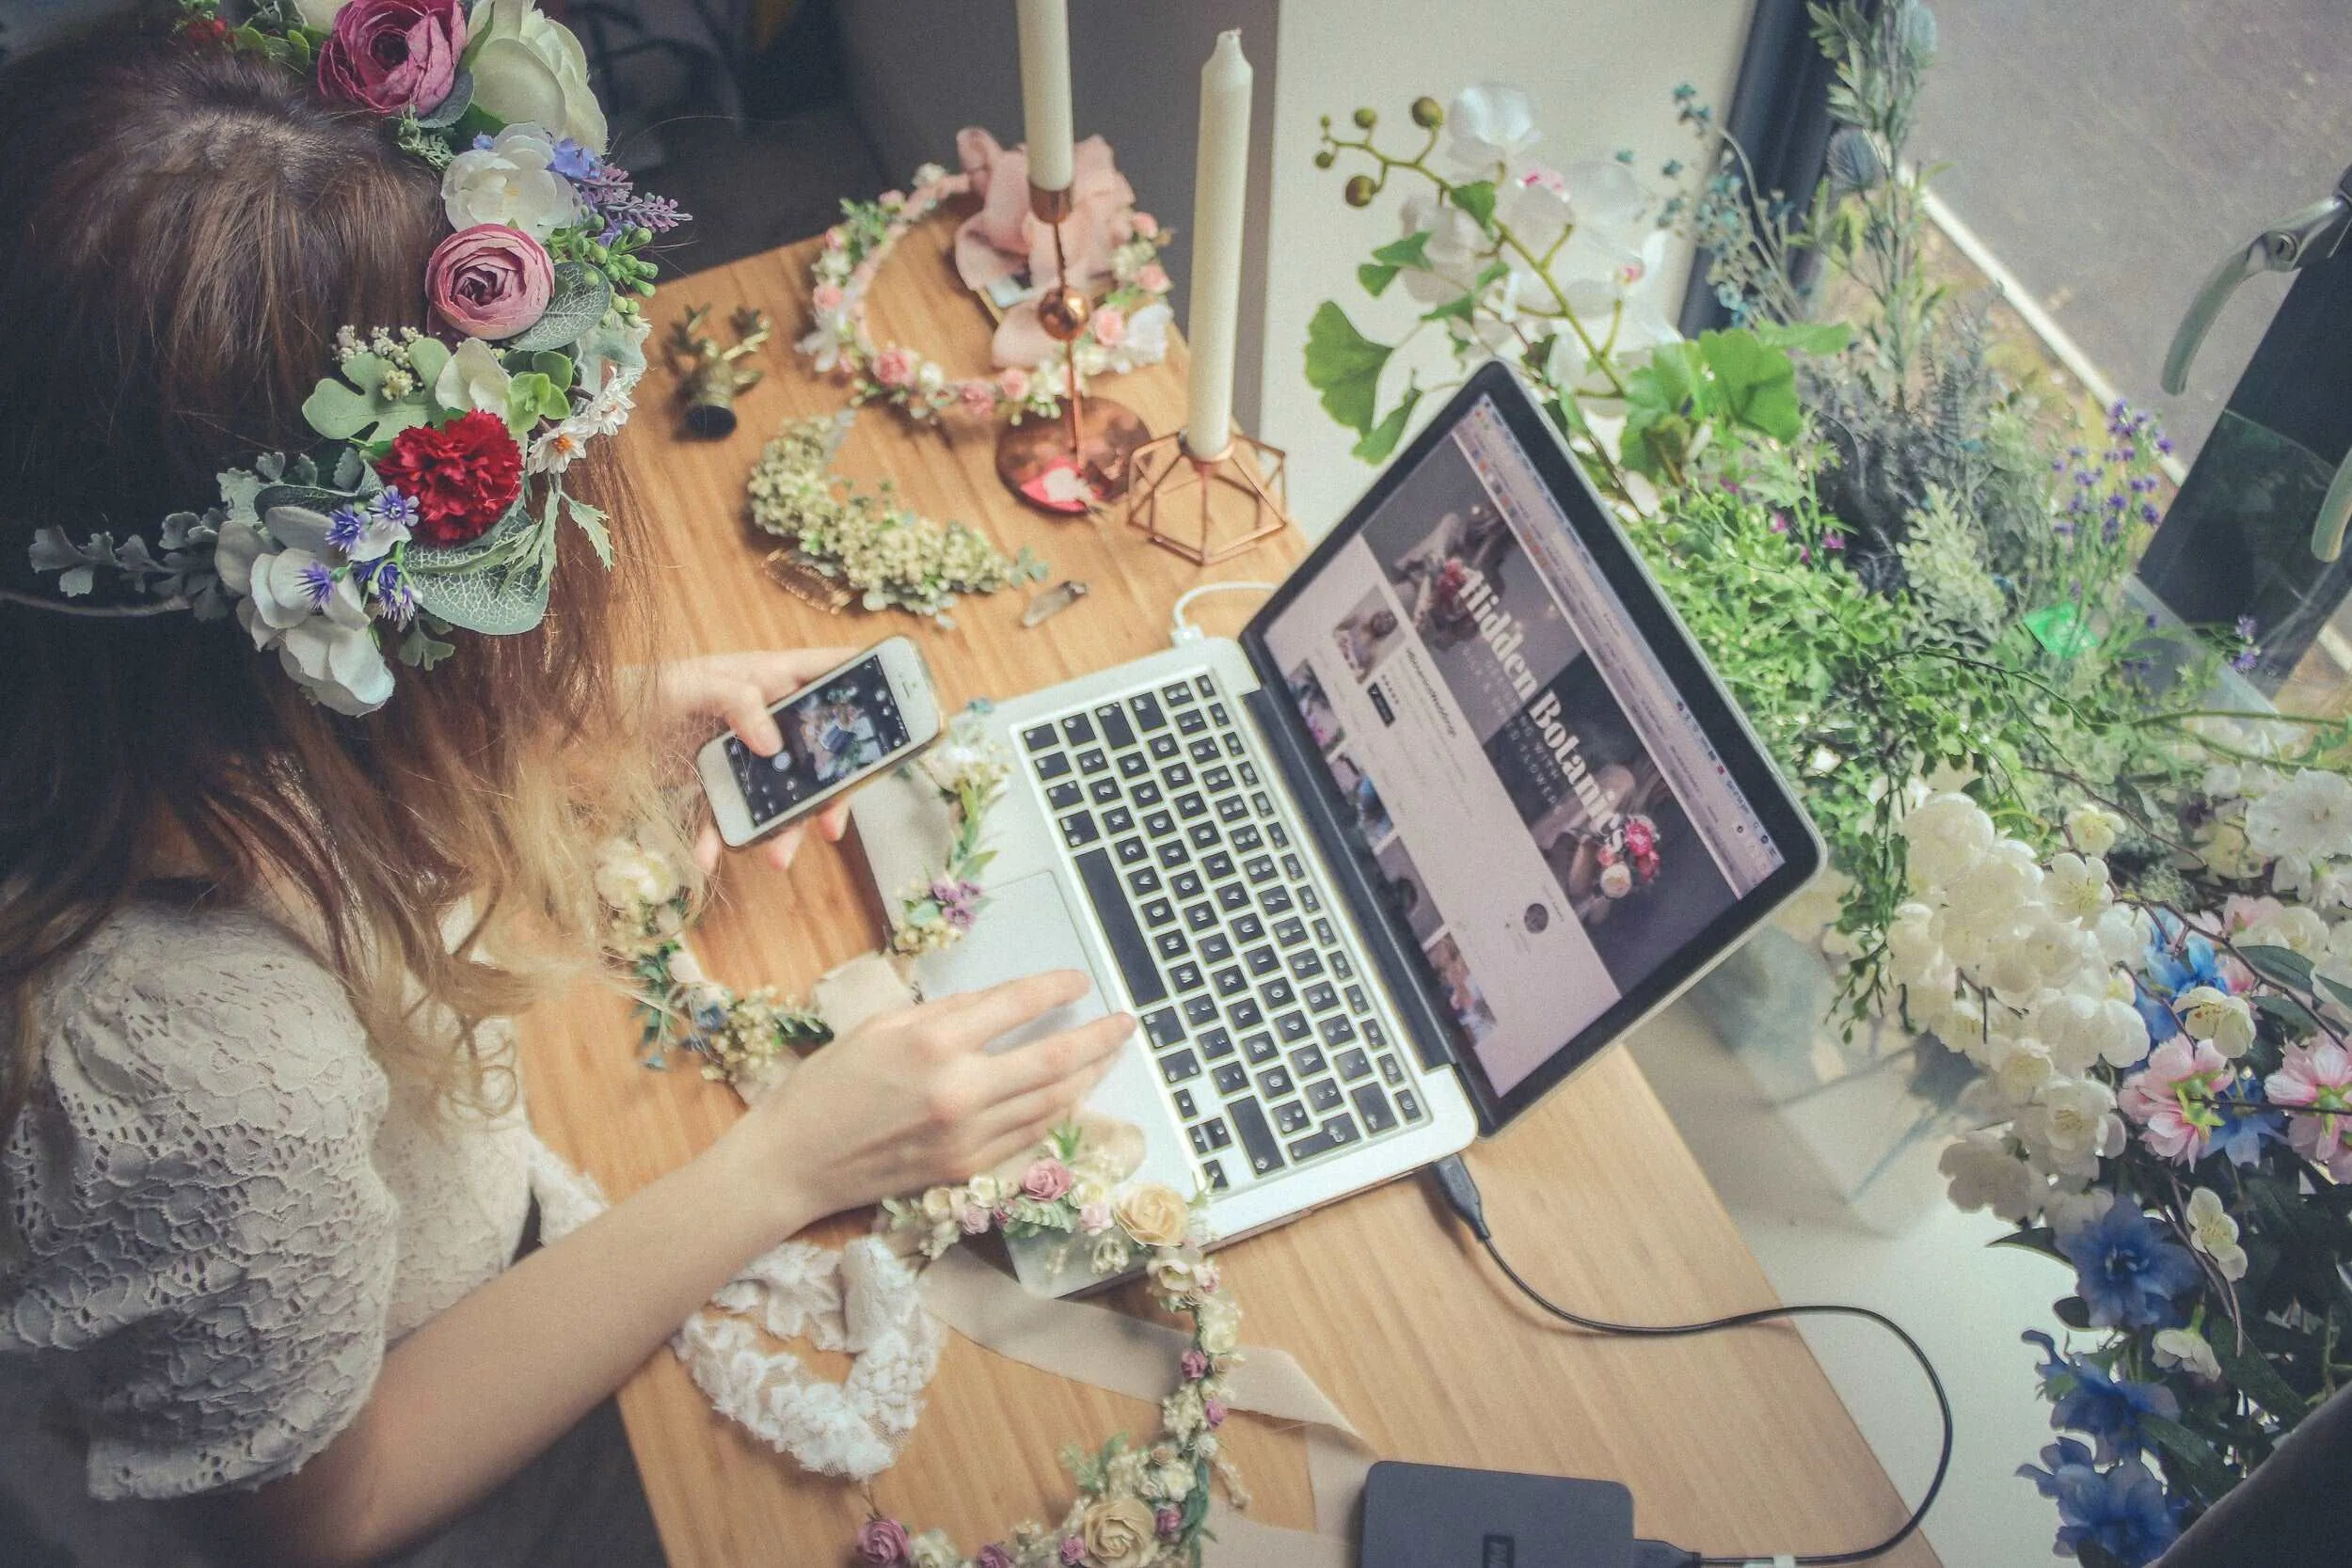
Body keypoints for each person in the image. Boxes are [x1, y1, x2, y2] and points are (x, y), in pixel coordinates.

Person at [0, 16, 1126, 1568]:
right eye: (482, 602)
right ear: (311, 644)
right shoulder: (200, 1079)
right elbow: (326, 1509)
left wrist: (577, 720)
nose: (524, 632)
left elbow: (263, 775)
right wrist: (788, 1163)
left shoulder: (125, 739)